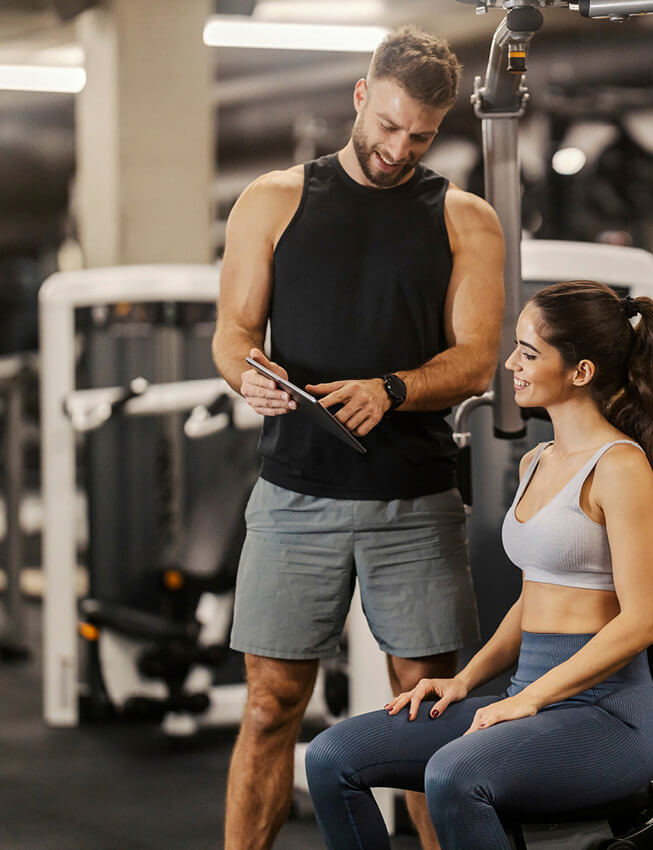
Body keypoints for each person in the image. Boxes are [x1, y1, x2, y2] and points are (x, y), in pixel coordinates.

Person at [211, 27, 504, 850]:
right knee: (270, 707)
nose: (396, 148)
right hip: (293, 496)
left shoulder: (463, 218)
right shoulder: (275, 197)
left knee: (423, 715)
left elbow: (478, 358)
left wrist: (394, 390)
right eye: (387, 124)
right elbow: (232, 333)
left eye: (420, 135)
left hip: (414, 501)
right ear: (360, 97)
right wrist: (249, 375)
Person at [304, 280, 653, 850]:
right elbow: (534, 598)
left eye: (528, 353)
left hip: (608, 715)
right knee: (333, 757)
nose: (511, 363)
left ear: (579, 372)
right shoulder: (538, 459)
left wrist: (530, 698)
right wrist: (464, 681)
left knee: (455, 775)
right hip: (531, 689)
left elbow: (641, 621)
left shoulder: (620, 467)